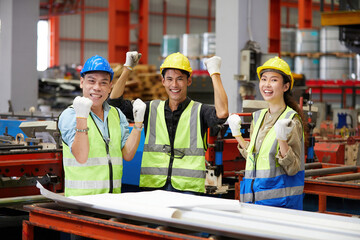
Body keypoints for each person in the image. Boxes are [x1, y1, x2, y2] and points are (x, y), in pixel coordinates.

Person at [108, 51, 229, 194]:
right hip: (153, 185)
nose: (174, 84)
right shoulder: (150, 108)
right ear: (163, 81)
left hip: (188, 189)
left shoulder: (200, 111)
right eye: (170, 79)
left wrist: (214, 73)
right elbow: (114, 102)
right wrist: (127, 68)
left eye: (180, 79)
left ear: (188, 81)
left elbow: (222, 113)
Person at [58, 55, 146, 197]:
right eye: (91, 81)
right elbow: (81, 156)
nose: (97, 88)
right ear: (81, 82)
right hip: (81, 203)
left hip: (111, 201)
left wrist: (137, 124)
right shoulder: (69, 115)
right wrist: (81, 118)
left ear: (110, 87)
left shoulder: (116, 115)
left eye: (103, 83)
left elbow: (128, 155)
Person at [227, 56, 305, 210]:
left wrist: (282, 139)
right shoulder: (258, 116)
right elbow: (255, 156)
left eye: (274, 80)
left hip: (279, 203)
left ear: (285, 86)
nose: (267, 84)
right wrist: (237, 135)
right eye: (264, 79)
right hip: (251, 199)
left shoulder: (291, 120)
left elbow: (293, 168)